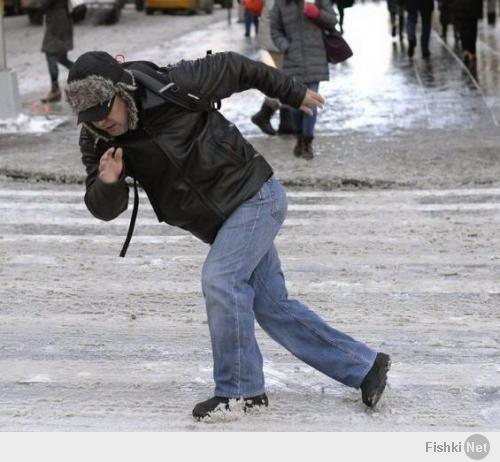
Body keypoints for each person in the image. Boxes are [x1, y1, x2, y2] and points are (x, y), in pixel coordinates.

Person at [65, 50, 391, 420]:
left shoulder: (173, 84)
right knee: (273, 306)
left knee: (221, 279)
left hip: (255, 196)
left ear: (121, 91)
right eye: (90, 118)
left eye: (105, 110)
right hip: (219, 226)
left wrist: (292, 93)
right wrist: (108, 183)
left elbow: (238, 67)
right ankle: (364, 367)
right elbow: (103, 207)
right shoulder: (97, 140)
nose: (102, 122)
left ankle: (240, 390)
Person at [271, 0, 337, 159]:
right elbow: (275, 30)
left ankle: (307, 142)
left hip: (316, 58)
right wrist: (286, 46)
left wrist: (317, 13)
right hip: (293, 61)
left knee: (311, 101)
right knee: (296, 104)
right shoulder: (281, 3)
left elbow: (332, 20)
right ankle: (299, 138)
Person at [252, 0, 298, 136]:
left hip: (278, 36)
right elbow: (281, 10)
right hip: (277, 38)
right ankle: (266, 114)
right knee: (286, 78)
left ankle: (285, 121)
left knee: (288, 78)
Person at [40, 0, 74, 103]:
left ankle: (55, 90)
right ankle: (84, 74)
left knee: (50, 54)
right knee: (61, 57)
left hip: (56, 24)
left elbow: (44, 4)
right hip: (63, 20)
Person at [452, 0, 484, 67]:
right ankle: (471, 51)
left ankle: (466, 50)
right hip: (472, 6)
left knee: (463, 27)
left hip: (461, 6)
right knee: (472, 27)